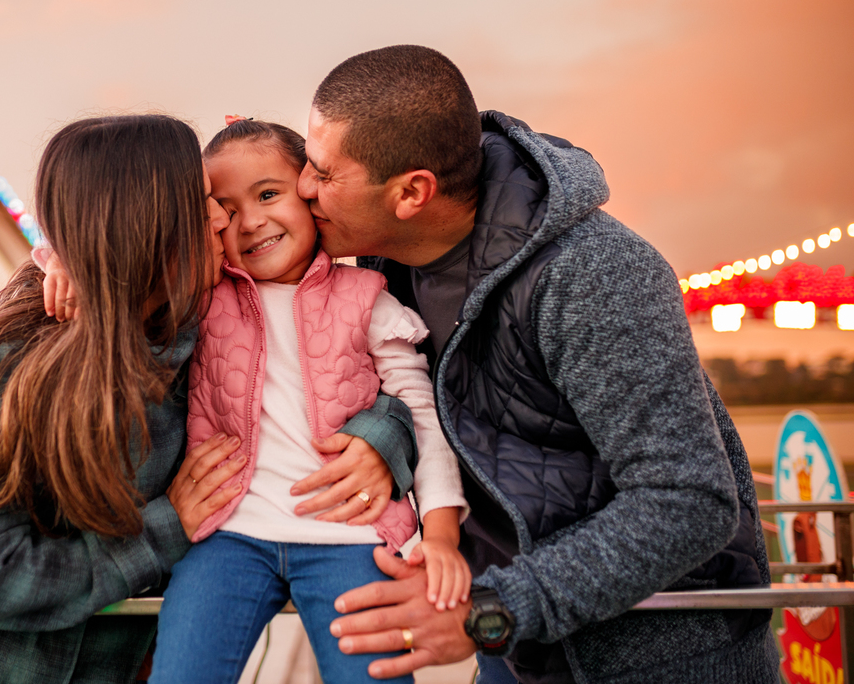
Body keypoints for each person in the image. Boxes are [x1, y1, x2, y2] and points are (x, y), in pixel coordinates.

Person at [304, 47, 777, 683]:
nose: (307, 188)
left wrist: (493, 611)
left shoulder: (593, 274)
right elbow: (432, 395)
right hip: (519, 649)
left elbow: (689, 499)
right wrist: (383, 435)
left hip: (650, 656)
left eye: (324, 172)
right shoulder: (384, 272)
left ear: (411, 192)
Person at [0, 115, 417, 683]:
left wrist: (380, 438)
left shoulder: (204, 331)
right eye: (201, 200)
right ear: (149, 226)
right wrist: (168, 526)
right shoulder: (23, 362)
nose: (221, 217)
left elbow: (341, 372)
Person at [147, 118, 470, 684]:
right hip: (227, 535)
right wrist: (55, 262)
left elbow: (424, 419)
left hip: (349, 537)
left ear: (309, 196)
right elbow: (116, 236)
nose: (250, 222)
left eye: (268, 194)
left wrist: (442, 536)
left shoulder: (369, 300)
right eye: (224, 208)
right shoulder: (199, 296)